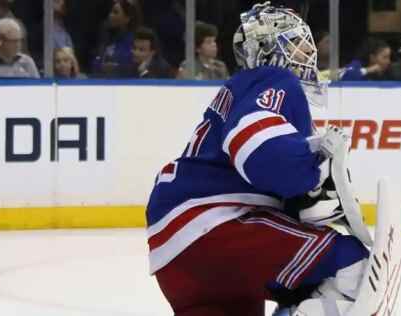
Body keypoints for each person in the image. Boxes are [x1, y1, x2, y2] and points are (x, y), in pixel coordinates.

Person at [146, 3, 370, 316]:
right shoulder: (275, 78)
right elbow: (254, 145)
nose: (309, 53)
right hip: (216, 227)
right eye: (299, 44)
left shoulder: (242, 89)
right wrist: (311, 173)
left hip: (175, 253)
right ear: (270, 50)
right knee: (352, 264)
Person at [91, 0, 142, 78]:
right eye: (111, 12)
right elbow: (95, 62)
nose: (110, 15)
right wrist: (101, 66)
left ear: (127, 18)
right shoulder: (107, 37)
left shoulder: (137, 41)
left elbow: (139, 68)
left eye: (115, 12)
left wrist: (118, 68)